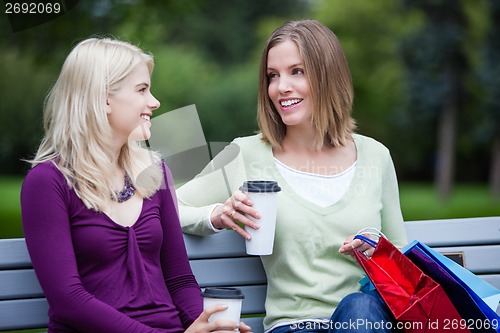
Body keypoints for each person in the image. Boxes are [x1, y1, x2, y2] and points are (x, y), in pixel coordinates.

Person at [178, 20, 408, 333]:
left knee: (359, 306)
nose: (280, 87)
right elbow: (168, 206)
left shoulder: (375, 156)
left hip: (366, 322)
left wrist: (377, 252)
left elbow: (404, 271)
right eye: (273, 76)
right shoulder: (245, 154)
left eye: (296, 71)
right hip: (295, 325)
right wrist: (216, 215)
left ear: (328, 76)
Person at [20, 37, 252, 333]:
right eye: (142, 90)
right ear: (102, 99)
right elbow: (69, 300)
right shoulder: (49, 182)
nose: (154, 102)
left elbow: (179, 280)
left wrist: (207, 326)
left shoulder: (155, 175)